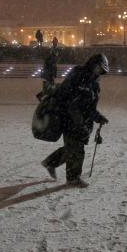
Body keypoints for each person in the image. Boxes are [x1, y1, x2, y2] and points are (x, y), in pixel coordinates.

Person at [41, 53, 110, 187]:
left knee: (72, 147)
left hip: (82, 121)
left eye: (101, 70)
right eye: (98, 68)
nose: (99, 72)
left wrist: (97, 117)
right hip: (69, 119)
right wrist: (79, 123)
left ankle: (51, 162)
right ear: (92, 64)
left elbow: (89, 106)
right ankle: (73, 178)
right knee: (77, 149)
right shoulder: (78, 76)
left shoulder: (93, 83)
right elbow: (71, 103)